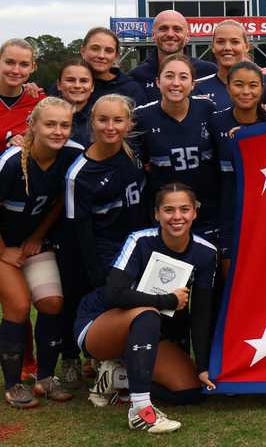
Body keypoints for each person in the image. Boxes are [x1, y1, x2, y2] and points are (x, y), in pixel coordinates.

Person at [74, 183, 219, 433]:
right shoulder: (140, 241)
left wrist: (203, 365)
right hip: (101, 322)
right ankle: (140, 410)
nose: (177, 217)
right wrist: (167, 301)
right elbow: (114, 293)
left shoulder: (206, 253)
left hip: (148, 330)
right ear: (156, 214)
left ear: (195, 212)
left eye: (184, 209)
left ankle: (117, 376)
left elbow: (202, 312)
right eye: (169, 210)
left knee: (189, 390)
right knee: (148, 313)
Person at [61, 95, 147, 393]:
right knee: (113, 303)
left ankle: (125, 361)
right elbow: (80, 231)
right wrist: (97, 274)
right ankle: (96, 360)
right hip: (106, 251)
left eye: (118, 120)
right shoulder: (78, 174)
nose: (110, 127)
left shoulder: (132, 150)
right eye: (103, 120)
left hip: (140, 244)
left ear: (129, 123)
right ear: (92, 123)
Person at [0, 98, 82, 407]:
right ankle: (13, 385)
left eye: (65, 125)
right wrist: (4, 251)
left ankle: (46, 377)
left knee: (51, 302)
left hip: (31, 244)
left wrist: (37, 236)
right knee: (19, 306)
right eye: (50, 124)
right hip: (3, 246)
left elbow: (62, 199)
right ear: (32, 126)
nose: (58, 131)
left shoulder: (71, 154)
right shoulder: (11, 162)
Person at [209, 62, 266, 267]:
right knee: (231, 280)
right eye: (239, 85)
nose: (246, 92)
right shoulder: (215, 121)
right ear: (228, 87)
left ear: (262, 89)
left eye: (253, 85)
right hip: (231, 216)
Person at [133, 54, 220, 250]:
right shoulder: (141, 117)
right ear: (158, 82)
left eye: (183, 77)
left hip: (208, 213)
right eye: (169, 76)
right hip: (168, 216)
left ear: (193, 84)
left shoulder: (207, 108)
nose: (175, 83)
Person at [129, 11, 217, 103]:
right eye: (163, 29)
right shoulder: (137, 77)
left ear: (187, 36)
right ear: (153, 35)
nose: (170, 34)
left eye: (177, 29)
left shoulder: (209, 72)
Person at [193, 20, 266, 111]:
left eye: (235, 42)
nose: (227, 47)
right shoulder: (198, 86)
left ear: (246, 46)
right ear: (213, 47)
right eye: (220, 42)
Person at [78, 27, 145, 109]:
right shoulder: (67, 85)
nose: (101, 55)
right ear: (83, 51)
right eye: (95, 49)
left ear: (116, 56)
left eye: (108, 51)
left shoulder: (131, 90)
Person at [0, 39, 44, 144]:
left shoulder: (40, 102)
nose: (15, 70)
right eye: (9, 62)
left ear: (33, 67)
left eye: (24, 64)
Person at [54, 58, 94, 145]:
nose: (77, 85)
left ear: (92, 86)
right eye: (70, 80)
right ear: (59, 85)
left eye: (84, 81)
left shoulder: (100, 119)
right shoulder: (44, 115)